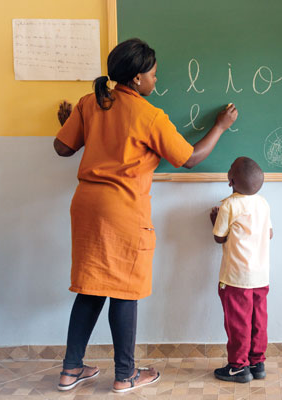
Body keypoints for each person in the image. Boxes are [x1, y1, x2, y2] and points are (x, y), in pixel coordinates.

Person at [54, 38, 238, 393]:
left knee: (90, 288)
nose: (156, 81)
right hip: (122, 210)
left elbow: (63, 147)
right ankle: (125, 375)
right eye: (153, 75)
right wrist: (219, 127)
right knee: (124, 291)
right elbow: (190, 157)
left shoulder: (90, 103)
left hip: (86, 207)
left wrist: (70, 121)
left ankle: (70, 369)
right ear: (137, 79)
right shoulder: (149, 115)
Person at [210, 157, 273, 383]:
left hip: (236, 278)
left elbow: (219, 237)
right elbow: (270, 233)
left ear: (231, 181)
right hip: (261, 276)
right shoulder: (263, 203)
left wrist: (214, 220)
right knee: (258, 321)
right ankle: (257, 363)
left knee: (238, 323)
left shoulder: (229, 205)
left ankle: (238, 366)